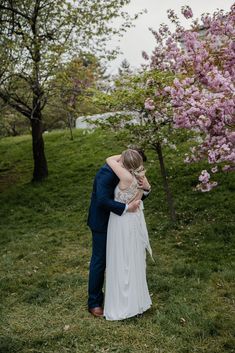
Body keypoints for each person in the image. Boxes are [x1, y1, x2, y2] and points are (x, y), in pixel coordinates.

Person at [87, 148, 151, 318]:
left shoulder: (129, 171)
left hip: (122, 224)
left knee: (123, 259)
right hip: (102, 222)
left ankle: (123, 296)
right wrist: (125, 208)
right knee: (100, 260)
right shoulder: (106, 173)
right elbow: (102, 201)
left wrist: (145, 190)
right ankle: (94, 302)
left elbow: (136, 196)